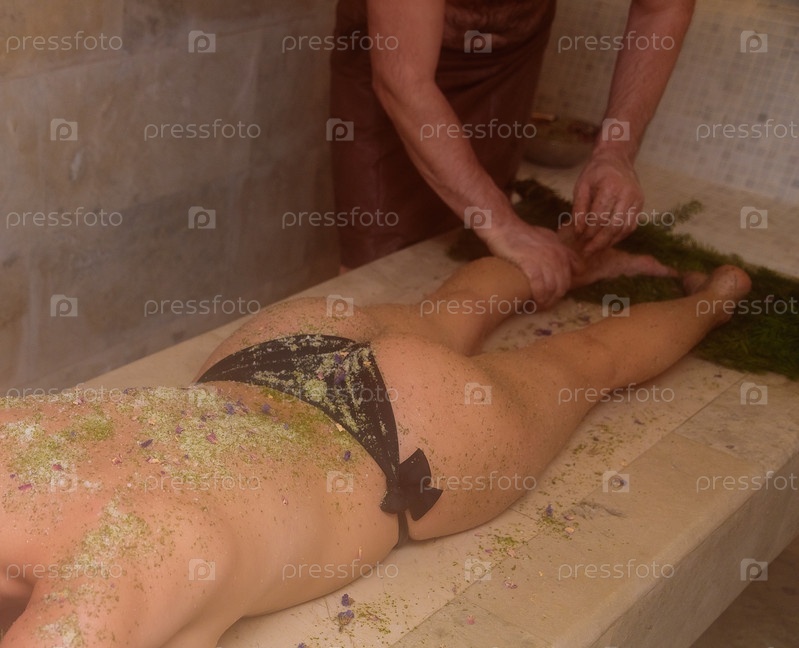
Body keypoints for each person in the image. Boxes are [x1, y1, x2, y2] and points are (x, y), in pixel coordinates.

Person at [0, 239, 749, 647]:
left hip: (406, 434)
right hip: (276, 357)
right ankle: (567, 255)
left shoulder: (106, 583)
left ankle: (721, 299)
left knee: (586, 364)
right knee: (452, 308)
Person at [330, 0, 696, 306]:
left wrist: (616, 151)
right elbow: (404, 80)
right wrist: (501, 224)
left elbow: (662, 7)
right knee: (383, 277)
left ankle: (537, 267)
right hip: (398, 55)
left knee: (479, 242)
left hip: (512, 44)